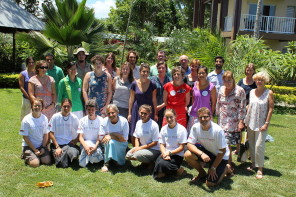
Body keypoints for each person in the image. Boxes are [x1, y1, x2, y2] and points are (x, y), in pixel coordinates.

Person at [185, 107, 232, 186]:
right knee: (187, 154)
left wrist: (213, 168)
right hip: (208, 152)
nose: (203, 119)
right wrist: (201, 154)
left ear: (210, 117)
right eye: (200, 117)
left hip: (221, 156)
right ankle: (202, 173)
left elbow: (222, 151)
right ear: (198, 118)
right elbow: (189, 144)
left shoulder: (217, 130)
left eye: (206, 116)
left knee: (210, 184)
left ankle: (226, 168)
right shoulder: (195, 127)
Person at [244, 72, 274, 179]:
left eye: (261, 80)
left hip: (262, 123)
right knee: (251, 144)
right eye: (257, 80)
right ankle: (253, 163)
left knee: (259, 146)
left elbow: (270, 109)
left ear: (265, 81)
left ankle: (260, 168)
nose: (259, 82)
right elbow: (249, 105)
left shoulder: (269, 92)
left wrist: (266, 123)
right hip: (250, 122)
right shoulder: (251, 92)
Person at [216, 70, 246, 166]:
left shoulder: (240, 90)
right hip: (222, 120)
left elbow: (242, 107)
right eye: (225, 80)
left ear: (233, 79)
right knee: (225, 142)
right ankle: (228, 163)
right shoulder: (221, 89)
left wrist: (241, 121)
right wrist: (217, 115)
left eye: (229, 80)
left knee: (232, 142)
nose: (227, 83)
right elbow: (218, 103)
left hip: (234, 121)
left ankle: (230, 162)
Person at [153, 109, 187, 179]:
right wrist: (164, 154)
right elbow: (162, 144)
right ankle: (172, 171)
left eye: (171, 117)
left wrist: (169, 153)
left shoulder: (182, 129)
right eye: (167, 117)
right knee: (158, 165)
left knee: (162, 165)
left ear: (175, 116)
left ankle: (179, 170)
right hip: (165, 153)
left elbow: (181, 147)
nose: (169, 119)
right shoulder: (163, 129)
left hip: (177, 155)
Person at [128, 63, 157, 140]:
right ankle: (135, 149)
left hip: (148, 110)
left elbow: (154, 100)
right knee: (134, 130)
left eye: (147, 72)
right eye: (144, 71)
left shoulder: (153, 84)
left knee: (148, 130)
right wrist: (129, 113)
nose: (145, 73)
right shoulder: (134, 84)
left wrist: (156, 113)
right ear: (140, 72)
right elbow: (131, 99)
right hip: (137, 109)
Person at [20, 98, 51, 167]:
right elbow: (25, 137)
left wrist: (43, 147)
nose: (37, 107)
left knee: (47, 161)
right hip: (28, 146)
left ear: (42, 107)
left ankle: (35, 156)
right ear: (32, 106)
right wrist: (34, 150)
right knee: (35, 164)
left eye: (39, 106)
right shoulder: (26, 119)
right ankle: (25, 155)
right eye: (35, 105)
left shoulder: (44, 118)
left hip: (40, 146)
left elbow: (46, 134)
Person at [48, 99, 80, 168]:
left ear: (71, 107)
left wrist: (76, 140)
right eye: (64, 106)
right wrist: (57, 147)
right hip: (57, 144)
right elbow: (51, 133)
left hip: (69, 144)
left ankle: (66, 154)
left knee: (74, 154)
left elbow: (81, 131)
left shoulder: (74, 118)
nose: (66, 108)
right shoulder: (55, 117)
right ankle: (63, 155)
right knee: (60, 164)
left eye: (68, 106)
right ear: (61, 106)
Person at [100, 104, 129, 172]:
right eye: (108, 113)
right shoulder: (104, 121)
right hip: (107, 142)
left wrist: (112, 135)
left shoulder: (124, 121)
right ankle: (106, 164)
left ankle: (117, 160)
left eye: (113, 112)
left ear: (117, 112)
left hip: (121, 143)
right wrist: (117, 136)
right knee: (109, 142)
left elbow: (125, 139)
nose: (111, 115)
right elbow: (101, 137)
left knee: (111, 141)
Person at [188, 66, 217, 132]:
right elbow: (193, 99)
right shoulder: (195, 84)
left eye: (203, 73)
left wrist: (211, 114)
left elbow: (214, 102)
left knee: (206, 134)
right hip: (194, 114)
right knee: (193, 134)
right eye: (199, 73)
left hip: (206, 115)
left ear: (206, 74)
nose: (201, 75)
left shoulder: (211, 87)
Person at [78, 99, 104, 168]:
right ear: (86, 109)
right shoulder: (82, 120)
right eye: (89, 109)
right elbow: (80, 137)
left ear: (96, 109)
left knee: (95, 151)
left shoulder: (101, 120)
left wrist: (95, 147)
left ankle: (90, 158)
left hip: (96, 144)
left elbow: (100, 137)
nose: (90, 111)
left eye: (92, 109)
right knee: (88, 150)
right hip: (85, 143)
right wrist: (86, 147)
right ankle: (89, 157)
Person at [150, 61, 172, 128]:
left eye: (163, 68)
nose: (161, 69)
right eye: (159, 68)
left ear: (166, 69)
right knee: (154, 127)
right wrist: (155, 107)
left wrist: (162, 105)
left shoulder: (170, 80)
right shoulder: (152, 80)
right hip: (154, 106)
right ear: (157, 69)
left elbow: (171, 95)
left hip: (166, 106)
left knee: (165, 126)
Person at [19, 56, 36, 120]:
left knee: (35, 114)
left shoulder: (37, 73)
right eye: (29, 62)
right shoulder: (23, 74)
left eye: (32, 62)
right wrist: (29, 97)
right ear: (27, 63)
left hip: (36, 98)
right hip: (26, 98)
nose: (31, 64)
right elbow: (21, 87)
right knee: (26, 116)